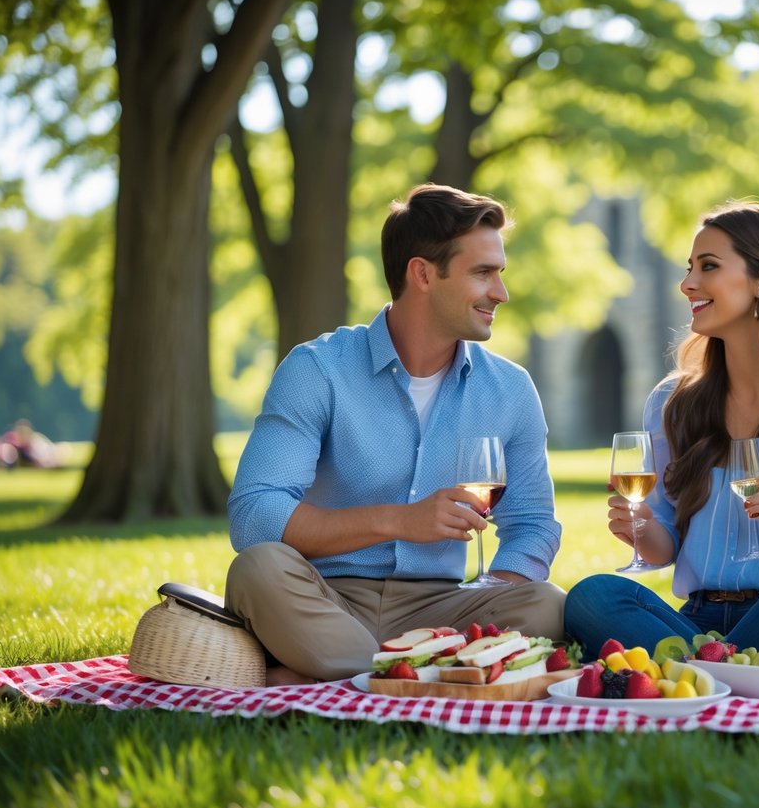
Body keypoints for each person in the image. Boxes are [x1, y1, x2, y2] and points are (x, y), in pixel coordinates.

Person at [225, 184, 565, 685]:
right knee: (258, 569)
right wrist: (400, 521)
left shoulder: (510, 390)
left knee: (546, 604)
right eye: (482, 273)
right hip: (326, 596)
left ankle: (341, 673)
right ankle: (421, 676)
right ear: (423, 273)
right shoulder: (318, 370)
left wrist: (490, 594)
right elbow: (255, 514)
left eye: (499, 273)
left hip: (444, 607)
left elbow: (533, 524)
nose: (501, 292)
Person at [563, 201, 759, 687]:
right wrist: (642, 530)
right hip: (699, 621)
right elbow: (663, 545)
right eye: (688, 269)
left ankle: (694, 676)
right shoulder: (673, 401)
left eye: (708, 267)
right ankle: (734, 672)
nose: (688, 284)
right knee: (593, 597)